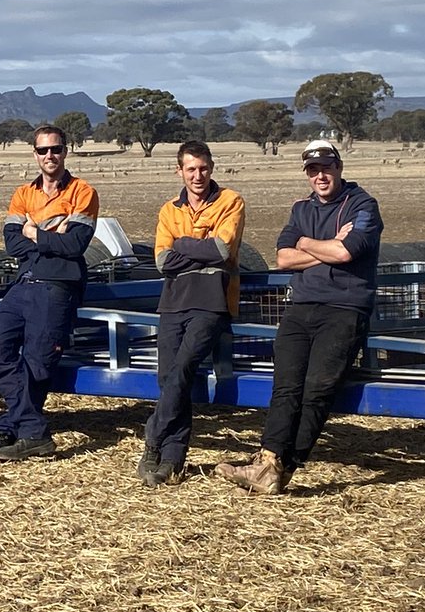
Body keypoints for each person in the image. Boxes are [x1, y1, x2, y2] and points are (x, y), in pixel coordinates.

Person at [216, 139, 383, 494]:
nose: (320, 176)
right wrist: (324, 246)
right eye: (313, 171)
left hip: (344, 308)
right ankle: (268, 460)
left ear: (339, 168)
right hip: (301, 305)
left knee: (317, 389)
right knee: (286, 387)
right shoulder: (301, 209)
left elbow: (346, 252)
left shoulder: (362, 205)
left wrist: (305, 244)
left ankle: (282, 466)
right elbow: (283, 258)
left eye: (326, 168)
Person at [0, 125, 99, 465]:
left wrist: (34, 232)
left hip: (58, 286)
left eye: (56, 149)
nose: (50, 155)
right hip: (23, 283)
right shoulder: (23, 193)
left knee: (37, 363)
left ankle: (12, 431)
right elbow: (13, 243)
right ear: (34, 154)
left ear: (66, 151)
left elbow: (75, 244)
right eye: (43, 150)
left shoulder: (82, 192)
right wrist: (53, 233)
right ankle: (31, 429)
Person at [139, 141, 245, 486]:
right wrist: (199, 248)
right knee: (168, 377)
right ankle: (172, 458)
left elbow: (222, 248)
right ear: (179, 171)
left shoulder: (230, 201)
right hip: (173, 301)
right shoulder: (169, 209)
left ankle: (153, 439)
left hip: (213, 301)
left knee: (183, 369)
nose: (197, 176)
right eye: (190, 169)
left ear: (211, 168)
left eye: (203, 168)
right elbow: (162, 260)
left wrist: (182, 244)